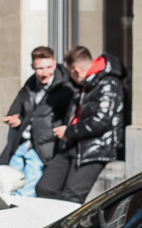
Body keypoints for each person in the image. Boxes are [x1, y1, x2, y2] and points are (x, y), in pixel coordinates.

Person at [45, 44, 127, 202]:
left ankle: (65, 226)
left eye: (70, 73)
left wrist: (68, 131)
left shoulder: (108, 82)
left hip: (96, 147)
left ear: (76, 70)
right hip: (74, 142)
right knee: (46, 187)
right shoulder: (85, 83)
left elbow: (100, 121)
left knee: (72, 196)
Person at [0, 46, 73, 197]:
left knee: (28, 190)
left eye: (49, 67)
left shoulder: (65, 86)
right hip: (23, 143)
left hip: (44, 146)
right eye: (40, 69)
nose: (45, 73)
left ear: (55, 64)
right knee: (6, 185)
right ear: (33, 67)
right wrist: (16, 118)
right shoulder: (31, 85)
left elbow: (66, 116)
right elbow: (20, 109)